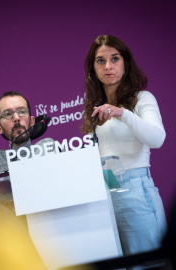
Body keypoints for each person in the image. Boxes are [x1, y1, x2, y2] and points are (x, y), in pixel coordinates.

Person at [81, 35, 166, 256]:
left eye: (115, 58)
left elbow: (157, 139)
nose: (108, 66)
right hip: (106, 194)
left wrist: (123, 113)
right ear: (93, 69)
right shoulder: (94, 107)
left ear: (125, 63)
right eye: (100, 60)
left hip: (136, 192)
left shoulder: (142, 99)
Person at [0, 91, 55, 176]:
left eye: (22, 112)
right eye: (7, 114)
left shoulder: (47, 146)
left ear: (32, 122)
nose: (16, 118)